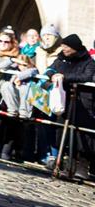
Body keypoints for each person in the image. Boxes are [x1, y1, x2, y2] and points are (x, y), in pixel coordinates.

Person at [50, 34, 95, 180]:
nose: (63, 48)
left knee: (82, 135)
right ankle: (67, 165)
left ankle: (82, 166)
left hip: (83, 103)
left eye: (66, 46)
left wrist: (64, 77)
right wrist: (52, 75)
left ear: (74, 47)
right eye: (63, 46)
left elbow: (86, 77)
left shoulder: (88, 61)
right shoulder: (61, 58)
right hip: (65, 102)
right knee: (64, 132)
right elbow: (50, 70)